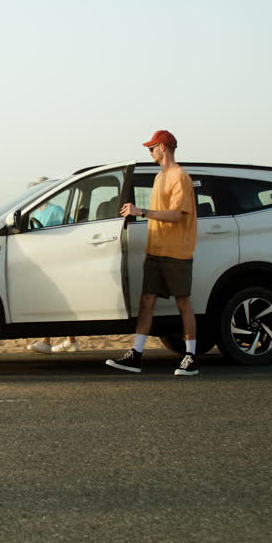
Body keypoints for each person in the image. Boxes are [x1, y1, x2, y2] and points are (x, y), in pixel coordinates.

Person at [105, 129, 200, 376]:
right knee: (147, 301)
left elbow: (178, 215)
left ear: (163, 147)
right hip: (155, 249)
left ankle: (191, 357)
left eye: (152, 147)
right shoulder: (160, 177)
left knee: (183, 302)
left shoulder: (180, 177)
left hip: (177, 251)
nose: (149, 151)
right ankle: (136, 354)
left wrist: (141, 212)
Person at [21, 176, 80, 355]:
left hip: (54, 259)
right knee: (57, 302)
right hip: (41, 259)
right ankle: (70, 340)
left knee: (52, 301)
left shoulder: (55, 211)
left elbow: (71, 228)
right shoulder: (35, 213)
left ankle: (47, 341)